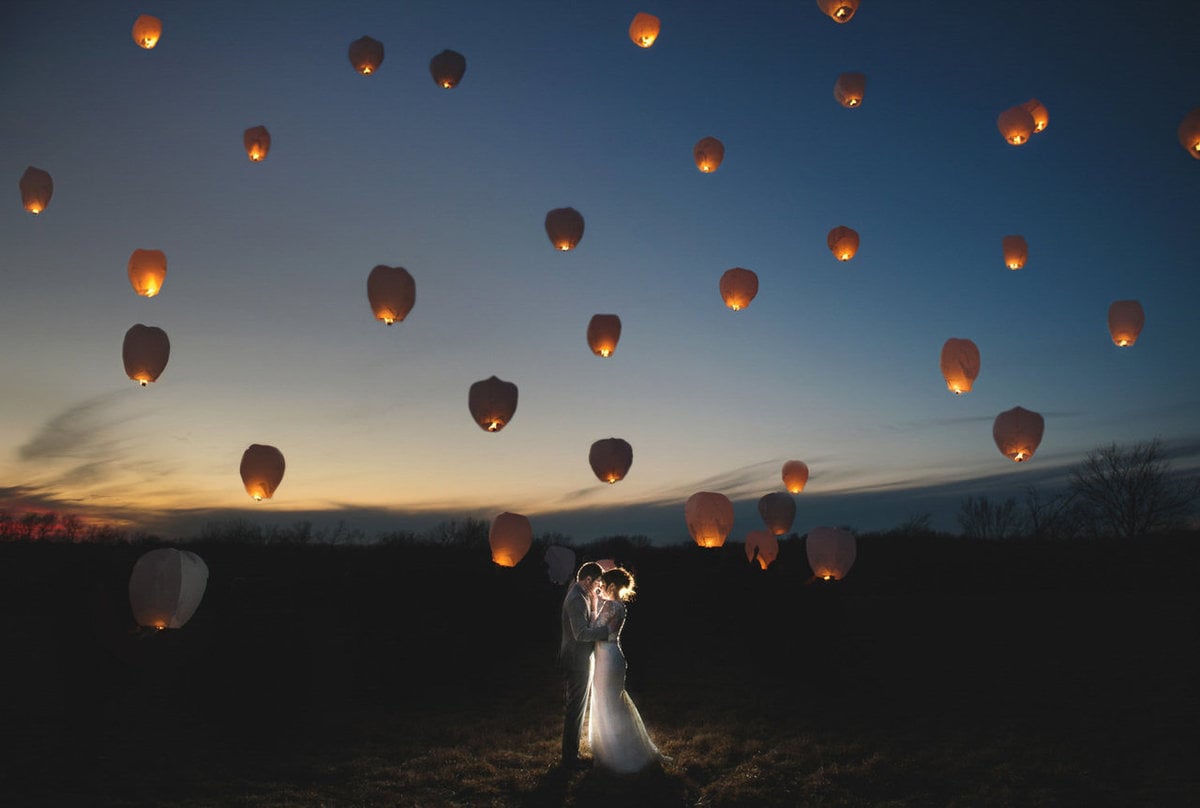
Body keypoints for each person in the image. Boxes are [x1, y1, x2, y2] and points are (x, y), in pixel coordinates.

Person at [587, 566, 662, 775]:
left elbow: (595, 629)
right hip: (610, 656)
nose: (600, 588)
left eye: (602, 585)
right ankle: (611, 747)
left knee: (607, 702)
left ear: (611, 585)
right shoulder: (618, 606)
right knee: (610, 702)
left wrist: (594, 603)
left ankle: (614, 751)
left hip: (608, 659)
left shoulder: (612, 607)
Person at [558, 561, 611, 769]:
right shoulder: (576, 600)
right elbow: (580, 633)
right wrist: (608, 631)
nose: (599, 586)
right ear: (588, 579)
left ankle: (571, 755)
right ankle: (570, 758)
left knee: (577, 707)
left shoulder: (584, 595)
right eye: (597, 582)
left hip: (581, 658)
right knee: (575, 709)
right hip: (576, 660)